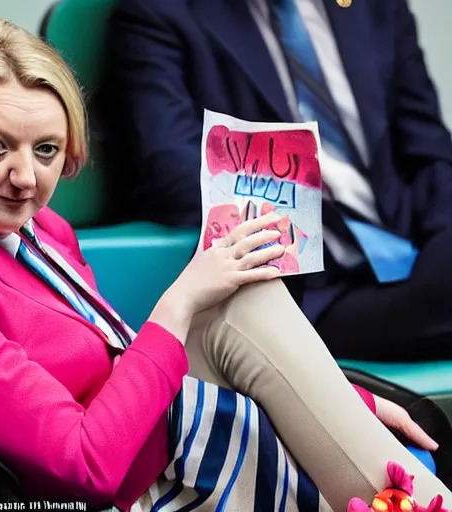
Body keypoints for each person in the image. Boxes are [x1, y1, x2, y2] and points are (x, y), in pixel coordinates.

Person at [0, 18, 450, 512]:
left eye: (46, 150)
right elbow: (86, 468)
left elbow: (122, 366)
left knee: (244, 289)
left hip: (168, 440)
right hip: (130, 489)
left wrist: (344, 402)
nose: (26, 177)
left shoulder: (44, 229)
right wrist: (180, 301)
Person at [101, 0, 452, 362]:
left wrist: (439, 251)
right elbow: (177, 179)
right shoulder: (158, 12)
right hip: (307, 288)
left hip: (413, 254)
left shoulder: (374, 7)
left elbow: (428, 148)